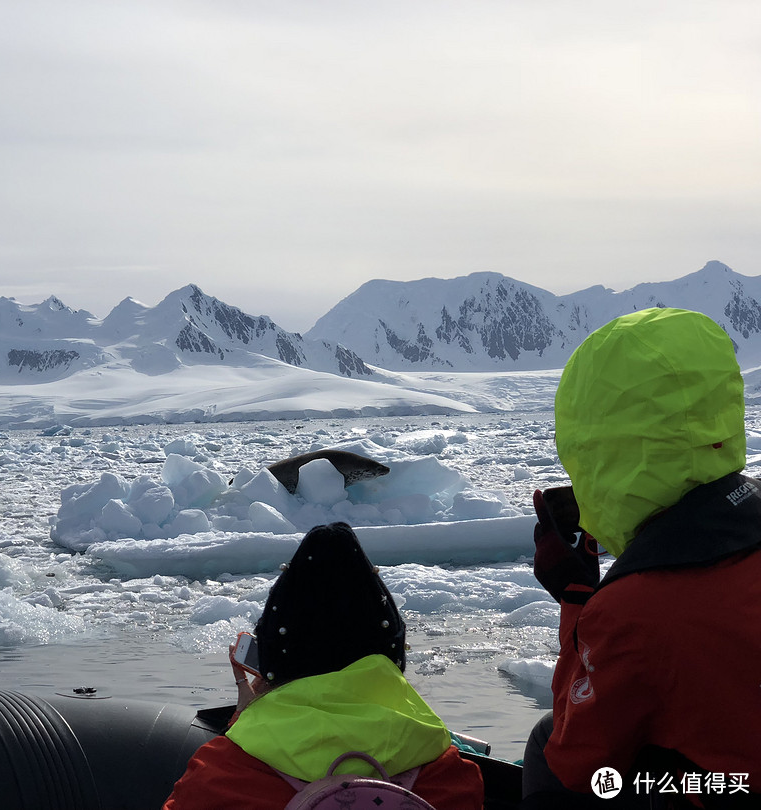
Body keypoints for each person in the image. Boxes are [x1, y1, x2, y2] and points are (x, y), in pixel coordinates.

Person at [523, 308, 761, 807]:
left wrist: (578, 598)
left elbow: (579, 759)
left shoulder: (638, 609)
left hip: (726, 790)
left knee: (550, 746)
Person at [164, 521, 484, 809]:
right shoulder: (451, 778)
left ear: (272, 667)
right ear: (390, 663)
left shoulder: (218, 778)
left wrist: (245, 724)